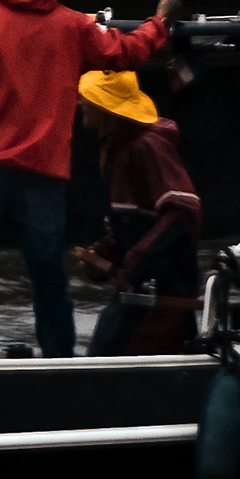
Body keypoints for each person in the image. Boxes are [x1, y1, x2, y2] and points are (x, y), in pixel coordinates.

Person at [0, 0, 174, 359]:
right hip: (42, 173)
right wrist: (160, 24)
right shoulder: (74, 25)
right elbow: (127, 51)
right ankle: (59, 359)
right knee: (48, 276)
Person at [75, 62, 205, 354]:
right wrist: (101, 254)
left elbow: (185, 212)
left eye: (88, 98)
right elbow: (131, 223)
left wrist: (134, 265)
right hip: (138, 296)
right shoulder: (116, 150)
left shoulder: (146, 146)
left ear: (107, 109)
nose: (80, 102)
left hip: (162, 300)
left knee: (110, 369)